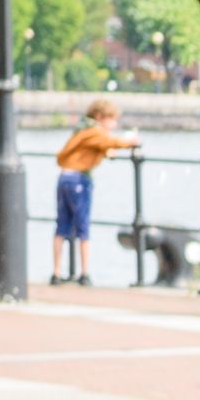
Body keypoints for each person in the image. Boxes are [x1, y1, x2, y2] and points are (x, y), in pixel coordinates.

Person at [52, 98, 126, 284]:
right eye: (111, 119)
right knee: (83, 228)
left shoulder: (81, 129)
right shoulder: (94, 131)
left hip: (64, 177)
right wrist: (133, 141)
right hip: (79, 179)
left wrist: (103, 152)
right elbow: (112, 142)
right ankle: (84, 274)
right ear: (100, 116)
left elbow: (89, 148)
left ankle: (57, 273)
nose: (114, 124)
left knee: (62, 227)